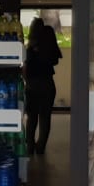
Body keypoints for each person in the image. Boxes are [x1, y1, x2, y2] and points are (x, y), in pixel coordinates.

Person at [25, 23, 62, 155]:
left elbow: (27, 67)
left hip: (32, 85)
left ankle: (30, 145)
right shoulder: (49, 43)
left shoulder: (31, 48)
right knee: (45, 117)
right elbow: (55, 60)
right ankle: (41, 146)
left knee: (32, 117)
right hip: (47, 84)